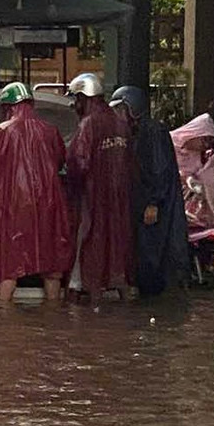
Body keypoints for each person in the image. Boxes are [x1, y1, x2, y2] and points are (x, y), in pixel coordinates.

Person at [0, 82, 74, 305]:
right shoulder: (51, 132)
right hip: (49, 207)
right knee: (52, 267)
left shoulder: (0, 132)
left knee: (9, 267)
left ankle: (3, 321)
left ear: (8, 107)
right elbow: (60, 161)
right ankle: (53, 318)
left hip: (13, 209)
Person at [111, 85, 188, 297]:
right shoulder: (136, 133)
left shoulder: (153, 132)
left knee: (153, 254)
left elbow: (159, 169)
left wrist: (153, 202)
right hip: (144, 204)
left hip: (155, 207)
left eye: (121, 110)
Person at [65, 71, 134, 304]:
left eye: (76, 99)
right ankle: (122, 296)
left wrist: (69, 184)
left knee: (90, 243)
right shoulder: (120, 122)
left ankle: (89, 296)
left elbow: (78, 163)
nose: (74, 105)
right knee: (116, 244)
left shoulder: (88, 124)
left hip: (93, 197)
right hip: (120, 198)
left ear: (84, 98)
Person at [171, 112, 214, 231]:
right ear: (195, 133)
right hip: (171, 200)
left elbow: (206, 182)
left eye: (209, 143)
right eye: (204, 140)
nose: (205, 146)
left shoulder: (202, 156)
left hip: (193, 204)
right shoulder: (168, 145)